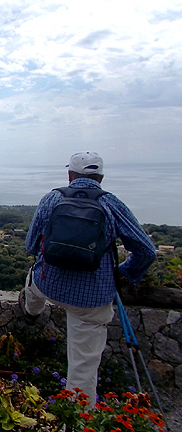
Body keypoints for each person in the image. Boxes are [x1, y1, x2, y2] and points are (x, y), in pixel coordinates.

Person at [21, 151, 156, 406]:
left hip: (48, 285)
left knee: (33, 277)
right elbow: (146, 251)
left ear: (70, 175)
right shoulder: (112, 205)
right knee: (82, 371)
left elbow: (31, 246)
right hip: (90, 300)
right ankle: (77, 420)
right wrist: (125, 274)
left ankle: (30, 309)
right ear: (101, 178)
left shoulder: (51, 199)